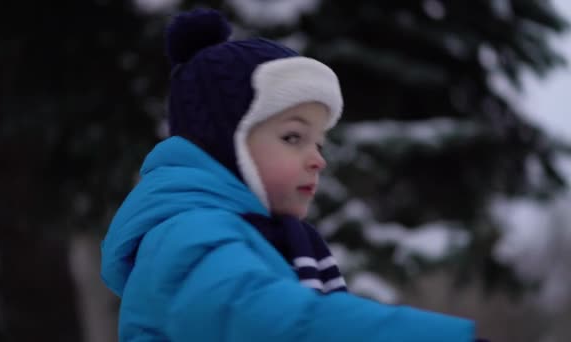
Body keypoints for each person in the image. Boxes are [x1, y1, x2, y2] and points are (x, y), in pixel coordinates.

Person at [100, 8, 479, 342]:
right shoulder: (187, 236)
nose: (317, 160)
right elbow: (280, 323)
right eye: (293, 137)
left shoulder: (242, 237)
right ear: (223, 143)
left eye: (319, 143)